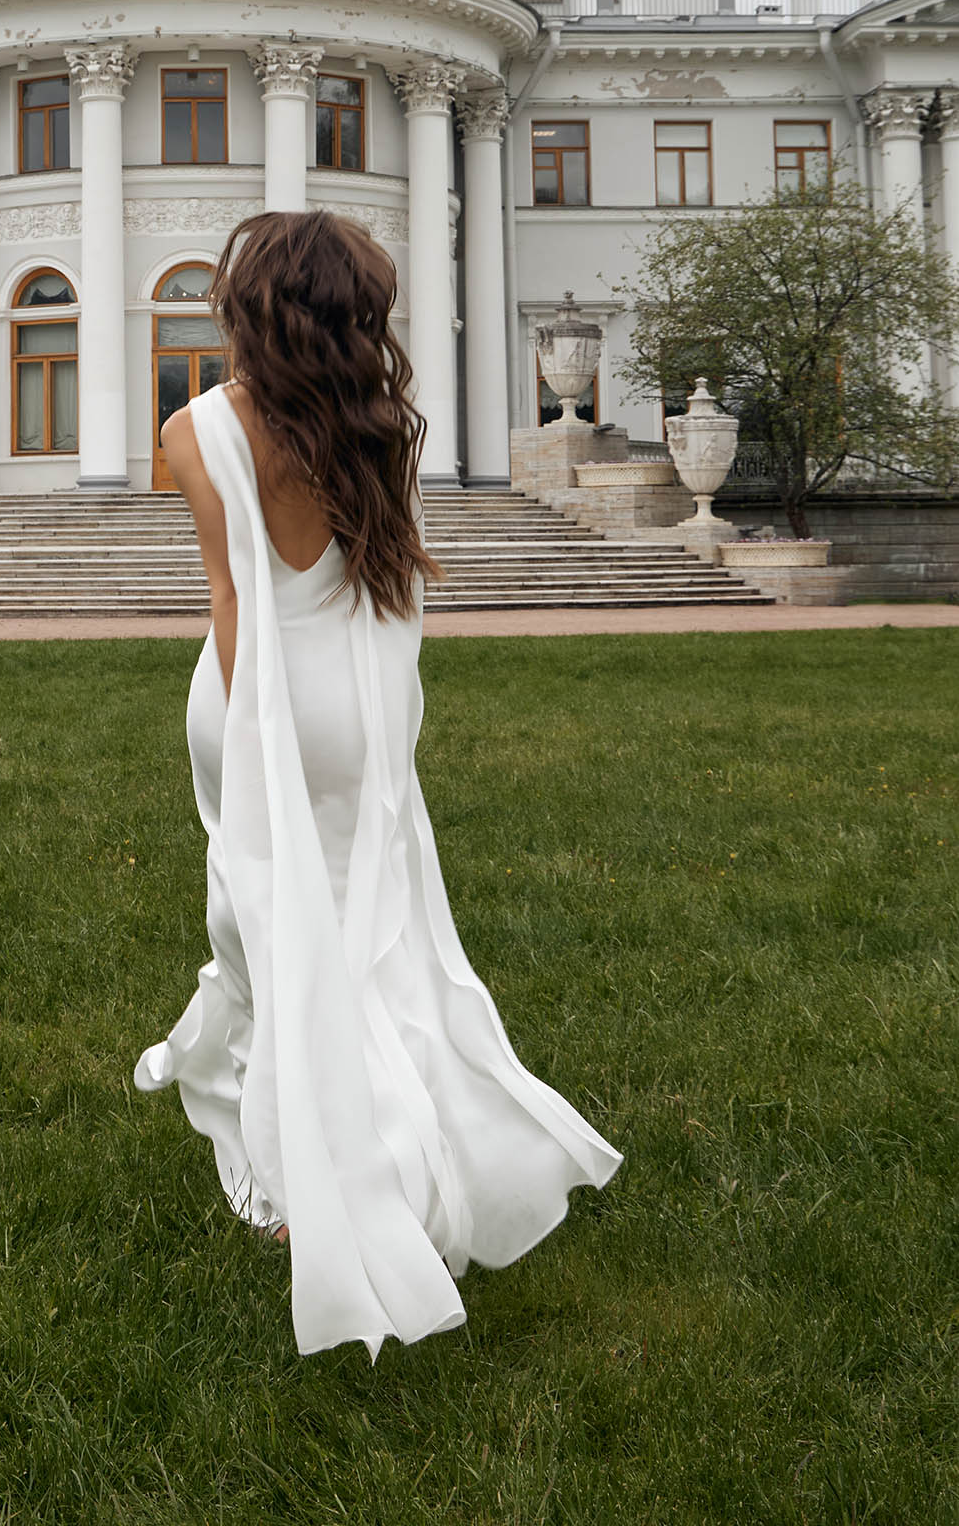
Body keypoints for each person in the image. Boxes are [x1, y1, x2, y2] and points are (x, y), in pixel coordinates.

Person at [134, 209, 623, 1359]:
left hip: (255, 704)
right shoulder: (383, 425)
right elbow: (391, 588)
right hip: (357, 702)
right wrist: (385, 734)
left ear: (252, 309)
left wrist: (258, 747)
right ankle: (400, 1152)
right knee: (372, 938)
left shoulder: (194, 431)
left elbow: (233, 600)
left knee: (275, 942)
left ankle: (316, 1184)